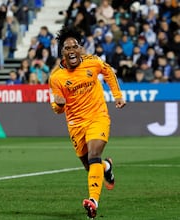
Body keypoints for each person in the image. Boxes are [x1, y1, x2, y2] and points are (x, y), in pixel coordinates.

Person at [48, 26, 126, 219]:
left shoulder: (93, 62)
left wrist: (117, 95)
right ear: (62, 52)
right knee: (91, 165)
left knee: (94, 155)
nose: (72, 50)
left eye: (75, 46)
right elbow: (58, 107)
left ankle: (93, 201)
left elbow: (108, 73)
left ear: (80, 48)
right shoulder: (56, 77)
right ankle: (107, 167)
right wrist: (57, 105)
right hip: (75, 124)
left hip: (97, 117)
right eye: (67, 48)